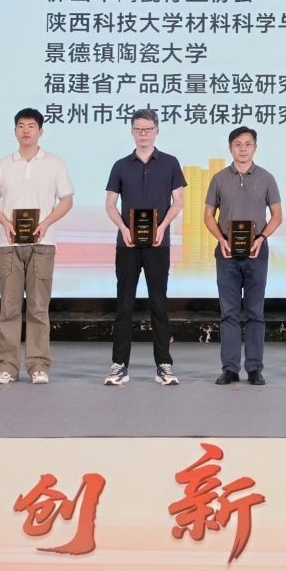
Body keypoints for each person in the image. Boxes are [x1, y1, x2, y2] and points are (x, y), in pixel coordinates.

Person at [0, 107, 74, 386]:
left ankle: (38, 365)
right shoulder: (3, 165)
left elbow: (67, 199)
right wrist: (5, 223)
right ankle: (8, 366)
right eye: (21, 126)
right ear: (14, 131)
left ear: (40, 131)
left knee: (38, 308)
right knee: (9, 308)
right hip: (8, 244)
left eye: (31, 126)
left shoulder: (54, 164)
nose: (26, 131)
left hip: (43, 244)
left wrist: (46, 223)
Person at [103, 108, 184, 387]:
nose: (143, 133)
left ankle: (164, 365)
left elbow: (178, 202)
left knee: (159, 305)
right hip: (127, 244)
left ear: (157, 131)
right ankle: (119, 365)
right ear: (132, 132)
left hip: (158, 244)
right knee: (124, 305)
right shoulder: (120, 165)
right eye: (138, 129)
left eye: (148, 129)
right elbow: (110, 205)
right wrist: (123, 228)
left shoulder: (170, 163)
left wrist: (162, 227)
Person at [202, 125, 284, 386]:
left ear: (255, 147)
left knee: (255, 312)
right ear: (230, 148)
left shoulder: (267, 178)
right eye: (238, 144)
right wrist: (221, 239)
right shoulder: (219, 178)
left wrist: (261, 238)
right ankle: (229, 368)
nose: (243, 149)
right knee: (228, 312)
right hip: (226, 252)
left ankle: (255, 369)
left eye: (248, 144)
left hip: (257, 252)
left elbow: (277, 216)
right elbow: (208, 215)